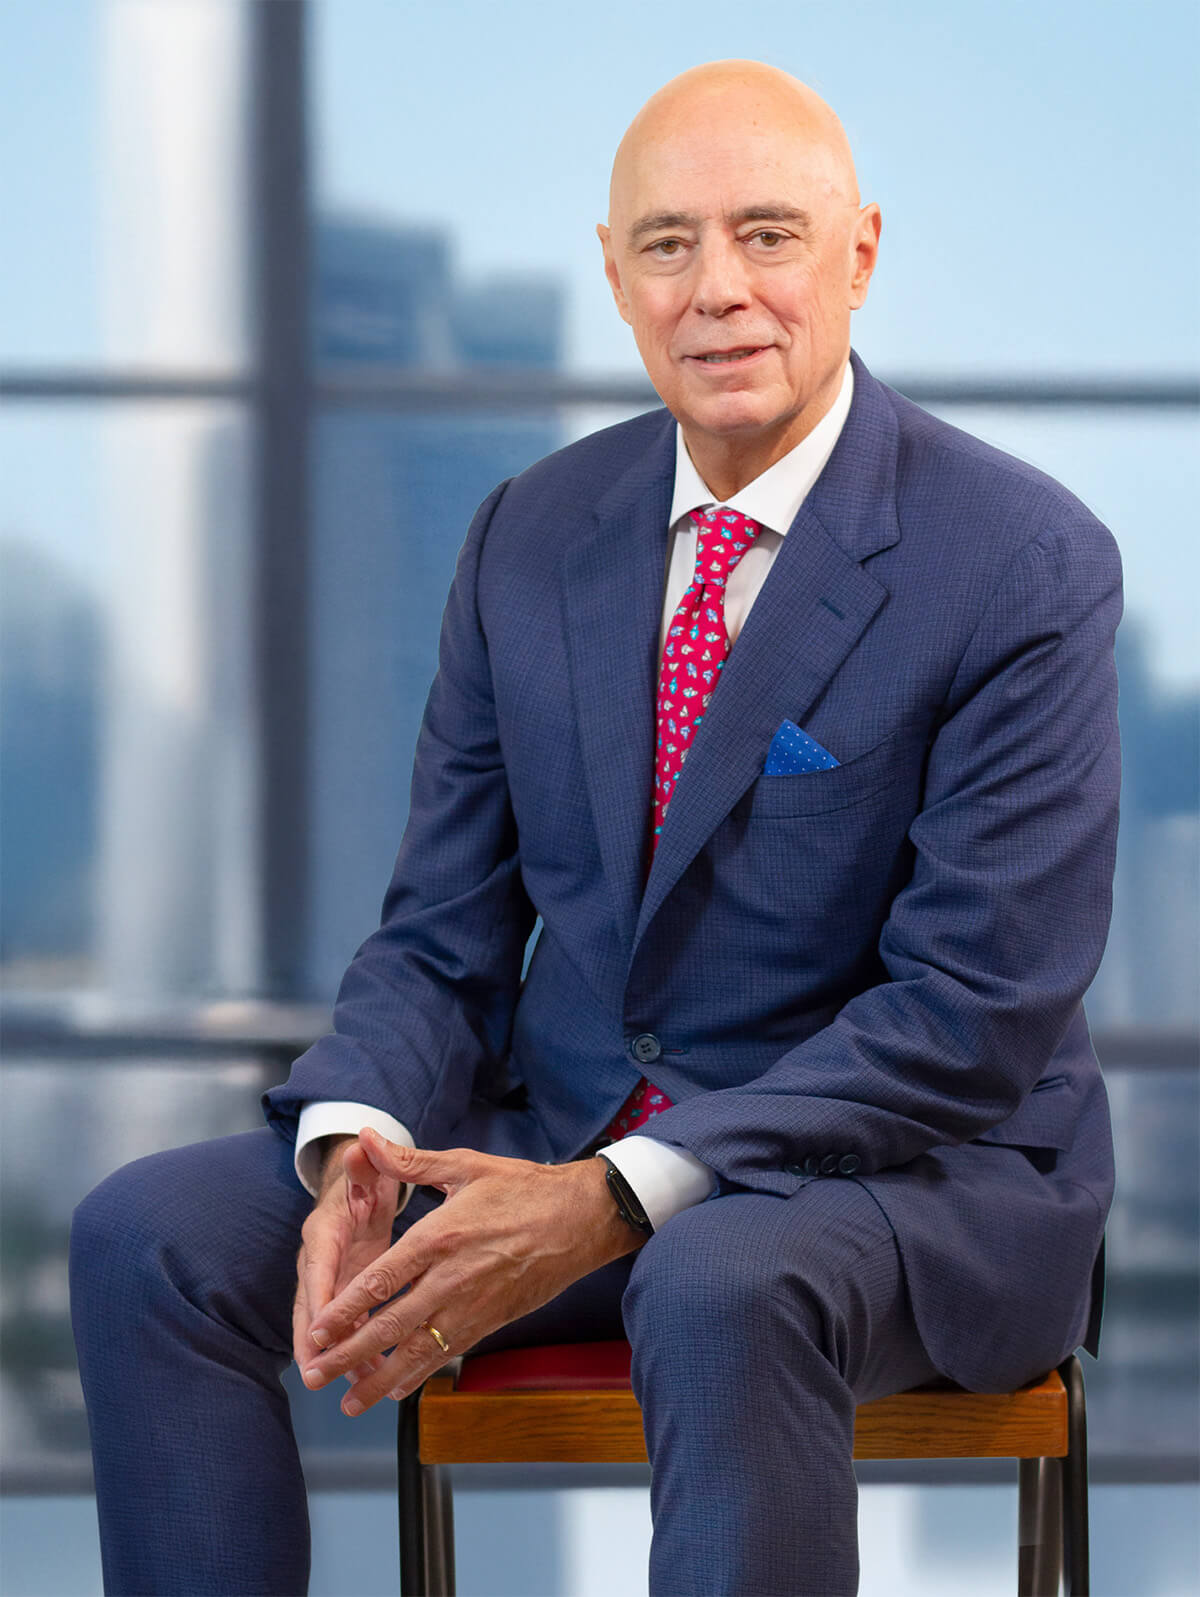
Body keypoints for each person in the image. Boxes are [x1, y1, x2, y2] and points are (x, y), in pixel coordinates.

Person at [71, 60, 1120, 1597]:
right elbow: (440, 938)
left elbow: (967, 1018)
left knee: (715, 1275)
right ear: (617, 278)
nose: (719, 289)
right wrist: (358, 1143)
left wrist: (616, 1191)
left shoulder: (1022, 560)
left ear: (860, 255)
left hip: (910, 1177)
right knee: (147, 1234)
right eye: (668, 244)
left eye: (769, 235)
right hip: (560, 1132)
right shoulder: (530, 533)